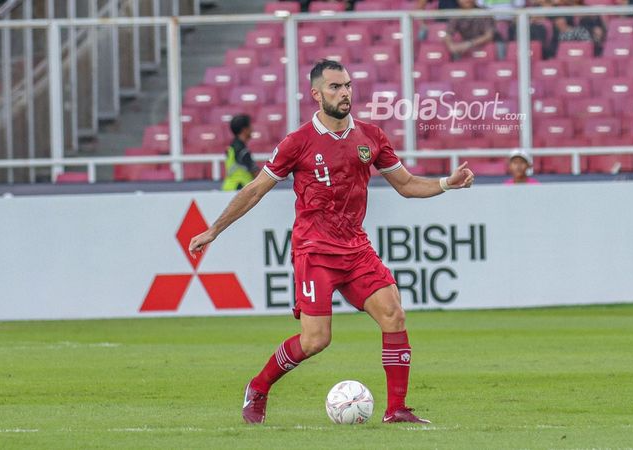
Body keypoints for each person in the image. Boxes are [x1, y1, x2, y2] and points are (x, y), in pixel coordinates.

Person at [187, 59, 475, 425]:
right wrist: (214, 229)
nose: (344, 93)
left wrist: (446, 184)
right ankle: (258, 387)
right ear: (316, 94)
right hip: (315, 251)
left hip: (356, 248)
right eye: (336, 87)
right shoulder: (297, 142)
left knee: (393, 313)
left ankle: (396, 409)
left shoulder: (370, 136)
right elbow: (256, 188)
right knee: (316, 340)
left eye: (348, 86)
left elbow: (405, 185)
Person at [222, 114, 259, 191]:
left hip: (229, 188)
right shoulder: (242, 151)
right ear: (244, 129)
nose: (252, 129)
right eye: (250, 126)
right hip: (239, 189)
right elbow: (257, 174)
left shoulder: (232, 147)